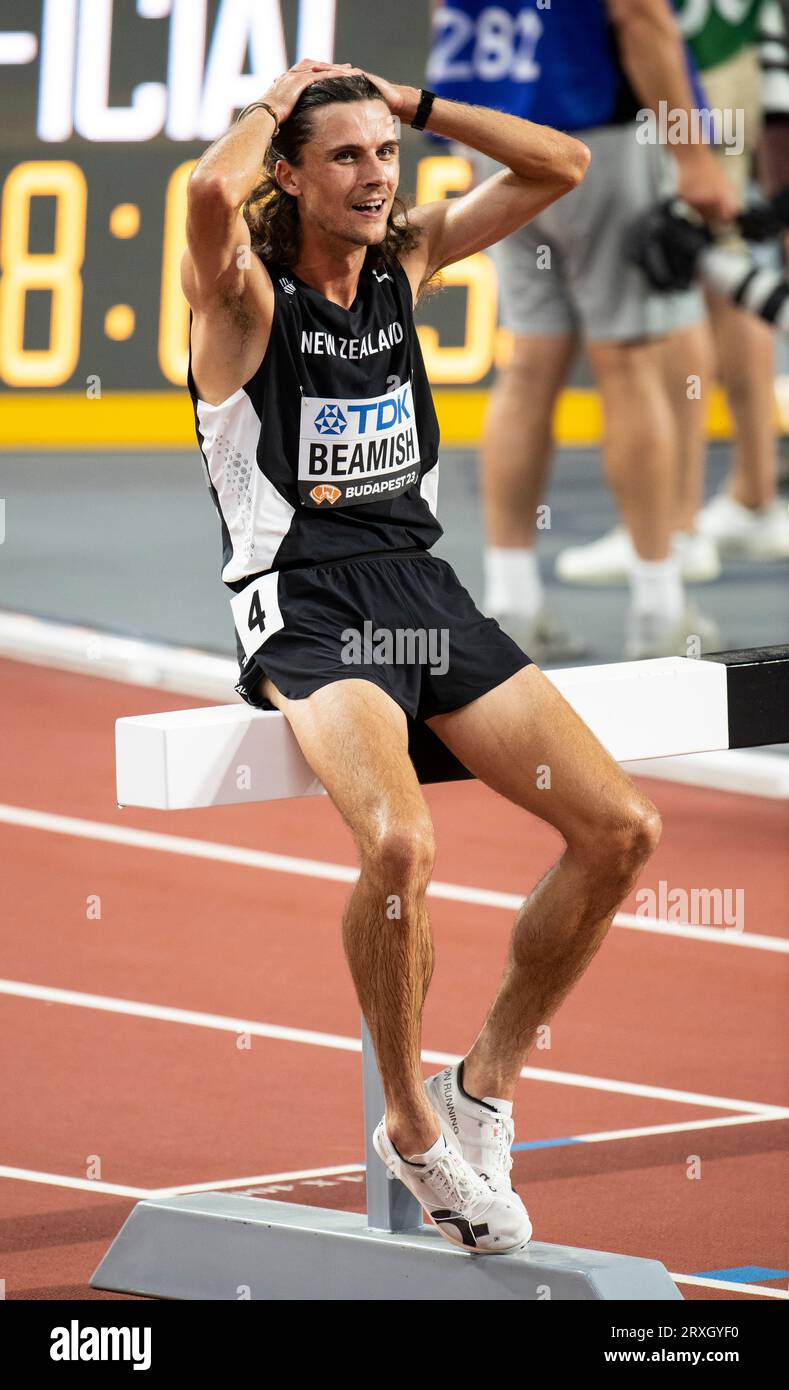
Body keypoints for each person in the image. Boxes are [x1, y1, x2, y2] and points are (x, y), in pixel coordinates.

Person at [182, 61, 663, 1255]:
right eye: (343, 156)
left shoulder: (409, 262)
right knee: (400, 842)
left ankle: (483, 1083)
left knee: (623, 830)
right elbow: (203, 192)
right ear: (288, 175)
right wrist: (273, 102)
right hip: (305, 604)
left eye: (383, 154)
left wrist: (414, 100)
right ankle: (411, 1125)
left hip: (421, 590)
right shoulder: (243, 303)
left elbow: (565, 164)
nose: (374, 175)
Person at [426, 0, 737, 659]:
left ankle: (512, 603)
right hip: (595, 132)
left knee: (529, 364)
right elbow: (639, 14)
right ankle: (657, 609)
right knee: (628, 361)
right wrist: (692, 155)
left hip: (498, 127)